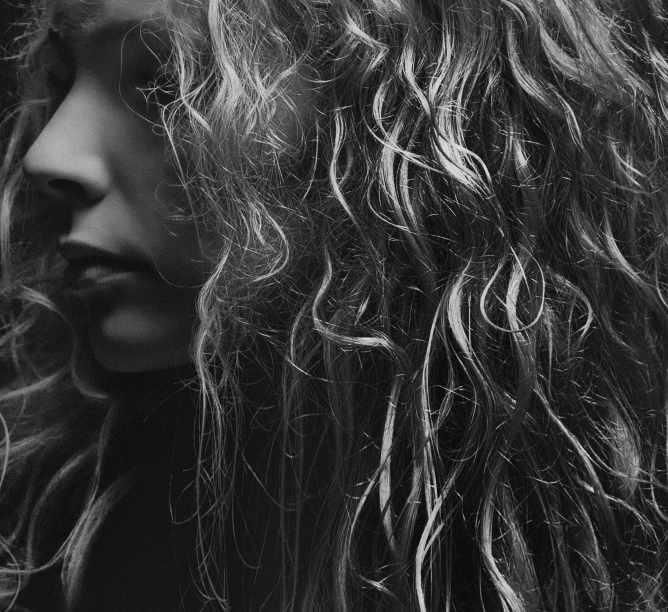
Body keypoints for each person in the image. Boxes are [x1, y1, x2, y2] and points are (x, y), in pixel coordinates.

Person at [2, 0, 668, 610]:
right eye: (62, 82)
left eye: (167, 80)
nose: (47, 154)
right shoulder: (62, 532)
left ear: (391, 122)